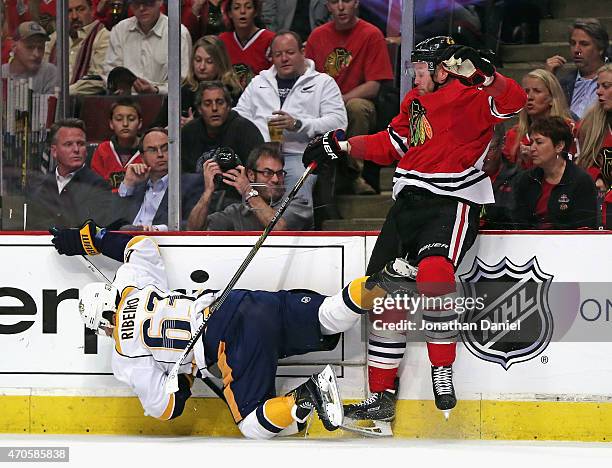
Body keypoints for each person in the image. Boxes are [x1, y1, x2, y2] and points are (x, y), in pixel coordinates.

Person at [302, 36, 527, 422]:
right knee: (383, 297)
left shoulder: (476, 94)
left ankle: (443, 369)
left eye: (421, 67)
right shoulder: (414, 101)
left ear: (443, 69)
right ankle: (382, 399)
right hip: (407, 202)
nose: (415, 74)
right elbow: (392, 145)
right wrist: (342, 146)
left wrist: (489, 77)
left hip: (453, 200)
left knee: (435, 270)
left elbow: (515, 102)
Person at [47, 219, 415, 438]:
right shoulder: (131, 283)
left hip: (225, 342)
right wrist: (89, 238)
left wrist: (185, 376)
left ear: (100, 324)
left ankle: (306, 397)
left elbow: (166, 408)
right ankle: (386, 279)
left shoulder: (124, 357)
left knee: (252, 426)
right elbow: (141, 246)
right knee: (327, 315)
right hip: (237, 302)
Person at [234, 30, 347, 207]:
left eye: (290, 52)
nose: (284, 58)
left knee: (295, 202)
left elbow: (339, 122)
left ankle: (289, 231)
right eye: (278, 54)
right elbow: (238, 118)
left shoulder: (322, 83)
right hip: (261, 156)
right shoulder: (259, 82)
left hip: (300, 156)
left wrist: (299, 124)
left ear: (302, 52)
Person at [305, 0, 394, 195]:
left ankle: (354, 175)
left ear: (356, 3)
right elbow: (307, 79)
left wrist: (339, 100)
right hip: (322, 104)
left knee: (356, 107)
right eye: (335, 2)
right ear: (327, 6)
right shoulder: (316, 36)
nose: (341, 7)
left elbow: (374, 85)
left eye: (346, 1)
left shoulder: (371, 34)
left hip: (359, 104)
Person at [188, 143, 313, 230]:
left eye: (279, 173)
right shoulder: (236, 212)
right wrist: (208, 192)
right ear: (251, 175)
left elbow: (277, 228)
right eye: (267, 173)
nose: (275, 179)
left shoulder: (298, 203)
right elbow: (194, 230)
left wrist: (248, 190)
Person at [26, 119, 116, 230]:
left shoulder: (99, 186)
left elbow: (94, 230)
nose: (76, 149)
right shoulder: (38, 184)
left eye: (81, 144)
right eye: (68, 144)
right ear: (54, 151)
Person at [513, 116, 597, 230]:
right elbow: (518, 224)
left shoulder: (581, 181)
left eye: (539, 142)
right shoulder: (525, 179)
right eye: (532, 142)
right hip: (529, 244)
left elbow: (584, 230)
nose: (532, 148)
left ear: (559, 146)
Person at [115, 127, 203, 231]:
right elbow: (113, 219)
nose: (160, 154)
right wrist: (128, 184)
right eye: (152, 150)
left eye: (165, 148)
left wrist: (157, 230)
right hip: (128, 241)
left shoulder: (191, 183)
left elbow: (193, 224)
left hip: (161, 243)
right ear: (142, 157)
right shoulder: (137, 185)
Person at [103, 0, 192, 94]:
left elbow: (182, 82)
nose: (142, 8)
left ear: (160, 2)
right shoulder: (120, 30)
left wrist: (156, 90)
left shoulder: (177, 33)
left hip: (164, 102)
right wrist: (117, 88)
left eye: (148, 2)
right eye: (136, 4)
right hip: (124, 101)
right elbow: (110, 71)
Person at [154, 35, 243, 128]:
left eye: (209, 61)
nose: (202, 67)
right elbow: (158, 126)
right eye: (198, 60)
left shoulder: (233, 92)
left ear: (220, 63)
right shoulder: (182, 92)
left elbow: (235, 129)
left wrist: (195, 126)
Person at [181, 81, 263, 173]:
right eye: (208, 104)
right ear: (199, 109)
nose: (214, 108)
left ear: (228, 106)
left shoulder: (246, 131)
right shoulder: (188, 133)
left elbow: (258, 174)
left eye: (220, 103)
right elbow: (183, 177)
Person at [502, 69, 574, 170]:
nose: (529, 97)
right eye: (526, 91)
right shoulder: (513, 135)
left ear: (552, 99)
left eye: (537, 91)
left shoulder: (570, 129)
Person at [545, 18, 609, 120]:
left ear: (600, 48)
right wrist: (547, 79)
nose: (576, 50)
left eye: (584, 44)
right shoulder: (564, 84)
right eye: (573, 43)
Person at [44, 0, 110, 95]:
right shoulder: (55, 38)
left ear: (92, 10)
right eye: (69, 11)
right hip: (51, 100)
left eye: (81, 9)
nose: (74, 16)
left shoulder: (103, 37)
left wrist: (62, 94)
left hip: (85, 104)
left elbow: (98, 80)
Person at [90, 98, 144, 191]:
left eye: (131, 119)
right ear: (111, 123)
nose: (125, 124)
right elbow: (96, 189)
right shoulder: (103, 149)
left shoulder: (147, 149)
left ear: (139, 123)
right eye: (119, 119)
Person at [218, 0, 275, 88]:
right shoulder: (222, 40)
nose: (242, 11)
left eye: (248, 7)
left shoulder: (270, 40)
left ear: (255, 12)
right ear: (229, 13)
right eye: (237, 8)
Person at [575, 64, 612, 191]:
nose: (598, 91)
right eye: (598, 86)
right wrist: (598, 177)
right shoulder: (587, 125)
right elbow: (582, 164)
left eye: (606, 86)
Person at [1, 21, 58, 94]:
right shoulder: (3, 73)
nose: (36, 54)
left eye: (40, 48)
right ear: (14, 46)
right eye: (30, 47)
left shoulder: (50, 73)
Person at [261, 0, 329, 39]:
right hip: (282, 39)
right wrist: (277, 40)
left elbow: (332, 17)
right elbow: (268, 18)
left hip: (316, 41)